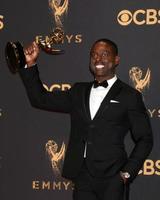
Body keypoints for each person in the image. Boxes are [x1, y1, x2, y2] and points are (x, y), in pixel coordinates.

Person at [19, 38, 153, 200]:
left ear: (116, 60)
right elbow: (40, 99)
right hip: (82, 178)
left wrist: (126, 174)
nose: (98, 59)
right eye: (94, 55)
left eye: (105, 54)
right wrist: (30, 64)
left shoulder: (129, 95)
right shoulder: (78, 91)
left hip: (113, 178)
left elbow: (145, 139)